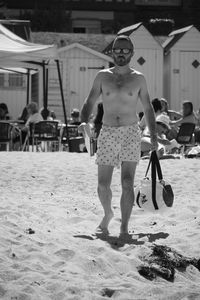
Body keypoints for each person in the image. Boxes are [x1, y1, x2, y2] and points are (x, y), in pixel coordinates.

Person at [79, 35, 158, 236]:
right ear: (112, 52)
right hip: (107, 132)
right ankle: (107, 215)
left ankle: (124, 226)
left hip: (131, 132)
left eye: (125, 50)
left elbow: (148, 109)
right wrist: (82, 121)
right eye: (117, 50)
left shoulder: (139, 78)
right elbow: (89, 102)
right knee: (103, 185)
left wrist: (154, 137)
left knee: (127, 182)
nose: (121, 53)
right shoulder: (102, 76)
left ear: (132, 52)